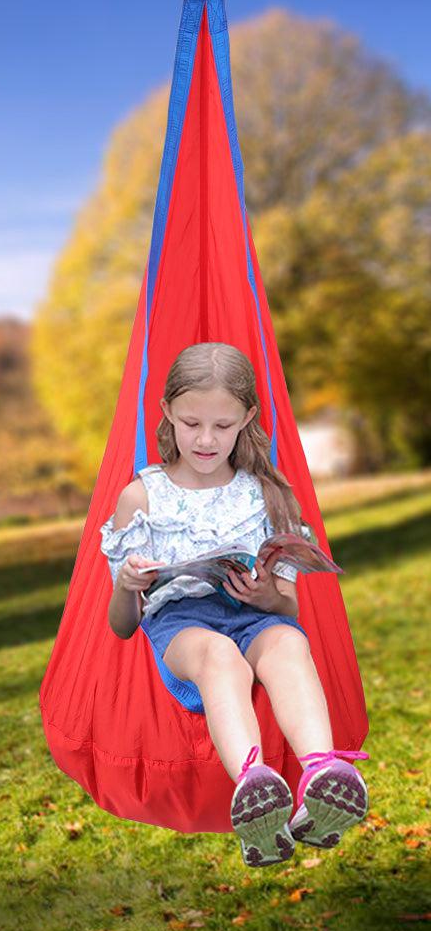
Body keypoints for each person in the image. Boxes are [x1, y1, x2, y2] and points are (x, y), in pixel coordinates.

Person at [101, 343, 368, 867]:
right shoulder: (142, 497)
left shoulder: (266, 494)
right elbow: (121, 628)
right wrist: (128, 584)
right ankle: (254, 787)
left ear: (246, 418)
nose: (205, 439)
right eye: (191, 422)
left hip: (253, 615)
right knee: (220, 654)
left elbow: (287, 607)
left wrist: (266, 593)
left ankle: (320, 774)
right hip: (183, 627)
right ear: (167, 414)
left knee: (289, 642)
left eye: (222, 426)